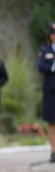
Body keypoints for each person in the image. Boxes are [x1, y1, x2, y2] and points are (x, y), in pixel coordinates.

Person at [37, 22, 55, 162]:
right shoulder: (45, 50)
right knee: (51, 121)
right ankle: (53, 150)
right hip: (50, 90)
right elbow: (41, 66)